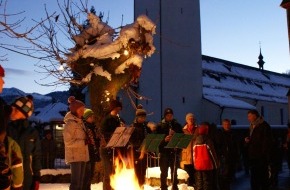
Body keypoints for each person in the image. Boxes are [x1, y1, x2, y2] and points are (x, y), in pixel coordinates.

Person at [7, 96, 42, 190]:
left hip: (27, 178)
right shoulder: (5, 130)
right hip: (8, 178)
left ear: (23, 113)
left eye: (15, 109)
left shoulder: (32, 133)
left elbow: (36, 156)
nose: (12, 110)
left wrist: (37, 177)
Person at [63, 96, 90, 190]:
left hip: (83, 155)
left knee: (81, 183)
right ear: (75, 110)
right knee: (76, 184)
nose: (83, 111)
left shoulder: (81, 122)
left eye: (83, 109)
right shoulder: (70, 124)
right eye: (81, 109)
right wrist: (83, 142)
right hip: (75, 157)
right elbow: (68, 142)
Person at [244, 109, 273, 190]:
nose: (248, 118)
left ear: (255, 115)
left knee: (262, 178)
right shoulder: (252, 126)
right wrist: (247, 141)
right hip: (253, 156)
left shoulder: (263, 126)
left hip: (260, 157)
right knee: (254, 177)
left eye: (249, 116)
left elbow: (267, 142)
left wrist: (264, 155)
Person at [156, 108, 183, 190]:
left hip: (174, 151)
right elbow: (156, 139)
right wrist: (164, 139)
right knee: (164, 172)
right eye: (168, 115)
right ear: (165, 116)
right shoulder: (160, 126)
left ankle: (175, 186)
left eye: (171, 115)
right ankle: (163, 187)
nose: (170, 117)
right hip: (164, 152)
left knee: (174, 171)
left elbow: (181, 136)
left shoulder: (177, 125)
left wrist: (176, 135)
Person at [100, 99, 124, 190]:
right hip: (106, 149)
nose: (118, 111)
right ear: (113, 108)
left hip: (115, 149)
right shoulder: (107, 119)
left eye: (119, 109)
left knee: (114, 171)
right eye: (117, 109)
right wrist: (116, 133)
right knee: (108, 172)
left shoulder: (118, 119)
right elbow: (103, 133)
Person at [129, 104, 156, 187]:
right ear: (137, 117)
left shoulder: (145, 127)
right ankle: (138, 186)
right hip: (136, 152)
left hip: (144, 152)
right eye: (141, 117)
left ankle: (142, 186)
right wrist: (141, 145)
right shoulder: (133, 127)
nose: (143, 119)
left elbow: (151, 137)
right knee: (137, 172)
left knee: (143, 171)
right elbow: (131, 141)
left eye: (144, 117)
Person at [193, 122, 219, 190]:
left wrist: (195, 164)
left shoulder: (195, 141)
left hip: (198, 165)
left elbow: (194, 154)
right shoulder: (208, 141)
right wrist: (216, 165)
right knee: (207, 182)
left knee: (199, 181)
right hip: (207, 165)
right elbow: (212, 153)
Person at [217, 119, 239, 190]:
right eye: (225, 124)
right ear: (223, 125)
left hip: (231, 157)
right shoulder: (220, 134)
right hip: (224, 158)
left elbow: (236, 146)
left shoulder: (233, 134)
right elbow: (218, 146)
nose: (227, 126)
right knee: (224, 176)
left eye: (228, 124)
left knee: (229, 175)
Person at [83, 108, 101, 188]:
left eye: (93, 116)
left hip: (93, 153)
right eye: (91, 117)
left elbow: (97, 139)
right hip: (87, 154)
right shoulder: (84, 127)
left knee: (90, 176)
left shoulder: (94, 127)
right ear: (86, 118)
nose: (93, 118)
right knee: (86, 176)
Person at [180, 113, 198, 188]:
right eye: (189, 118)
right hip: (186, 157)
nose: (191, 120)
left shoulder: (198, 129)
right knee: (187, 177)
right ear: (186, 120)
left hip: (196, 157)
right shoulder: (182, 130)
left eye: (192, 118)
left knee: (196, 177)